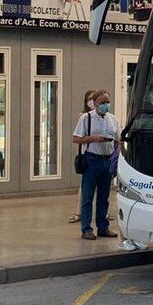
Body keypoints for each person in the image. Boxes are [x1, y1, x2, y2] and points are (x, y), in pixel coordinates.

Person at [72, 89, 120, 240]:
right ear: (95, 103)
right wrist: (94, 138)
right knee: (88, 195)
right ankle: (86, 228)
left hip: (107, 159)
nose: (106, 105)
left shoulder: (113, 119)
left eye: (107, 102)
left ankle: (103, 226)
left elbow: (118, 137)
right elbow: (76, 138)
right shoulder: (86, 118)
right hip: (92, 158)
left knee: (104, 196)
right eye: (102, 102)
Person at [68, 89, 98, 224]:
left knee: (101, 187)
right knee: (84, 187)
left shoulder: (104, 116)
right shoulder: (84, 116)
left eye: (94, 98)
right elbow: (78, 138)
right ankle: (79, 212)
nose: (91, 101)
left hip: (101, 156)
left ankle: (103, 213)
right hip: (87, 155)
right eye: (89, 99)